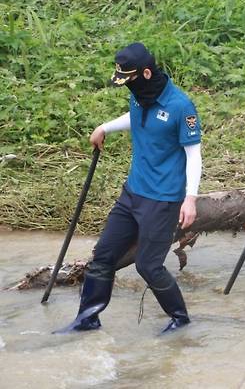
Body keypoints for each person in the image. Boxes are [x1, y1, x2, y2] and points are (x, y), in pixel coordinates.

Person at [55, 42, 202, 333]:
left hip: (162, 201)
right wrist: (104, 127)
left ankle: (181, 320)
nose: (127, 87)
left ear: (146, 73)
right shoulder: (140, 95)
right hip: (132, 193)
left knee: (148, 266)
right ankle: (88, 318)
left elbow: (193, 154)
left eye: (129, 79)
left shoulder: (180, 106)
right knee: (103, 256)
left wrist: (191, 199)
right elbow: (135, 118)